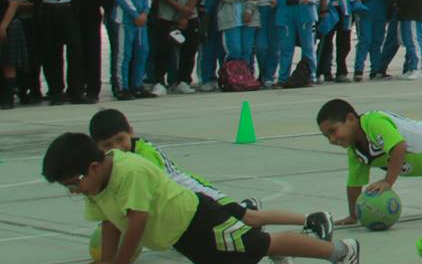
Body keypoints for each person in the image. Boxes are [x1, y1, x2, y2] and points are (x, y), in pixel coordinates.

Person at [42, 133, 360, 264]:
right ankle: (272, 250)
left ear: (94, 167)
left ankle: (340, 251)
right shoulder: (94, 185)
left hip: (199, 220)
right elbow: (110, 225)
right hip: (179, 234)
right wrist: (106, 263)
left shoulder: (129, 172)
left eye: (73, 183)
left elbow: (136, 223)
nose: (74, 190)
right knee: (238, 258)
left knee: (264, 244)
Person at [89, 109, 334, 255]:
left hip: (197, 196)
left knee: (249, 219)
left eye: (120, 139)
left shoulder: (141, 156)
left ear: (130, 131)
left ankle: (310, 219)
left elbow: (145, 198)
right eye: (107, 146)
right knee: (245, 218)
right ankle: (250, 206)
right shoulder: (123, 161)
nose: (116, 148)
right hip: (187, 205)